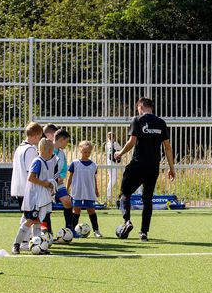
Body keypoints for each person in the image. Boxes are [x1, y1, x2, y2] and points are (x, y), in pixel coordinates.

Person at [114, 97, 176, 242]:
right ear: (151, 108)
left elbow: (131, 142)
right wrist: (172, 168)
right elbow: (168, 147)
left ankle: (127, 221)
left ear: (140, 107)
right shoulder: (161, 123)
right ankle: (144, 233)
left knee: (124, 193)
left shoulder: (137, 120)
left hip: (137, 164)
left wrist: (120, 153)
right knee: (147, 199)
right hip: (153, 166)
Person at [11, 138, 58, 255]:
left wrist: (51, 185)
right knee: (30, 220)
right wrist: (45, 183)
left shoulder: (47, 161)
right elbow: (31, 178)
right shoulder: (37, 161)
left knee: (38, 221)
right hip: (34, 199)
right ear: (47, 150)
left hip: (41, 198)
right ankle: (16, 244)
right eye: (52, 150)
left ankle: (37, 245)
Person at [10, 122, 44, 249]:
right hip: (27, 189)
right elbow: (32, 171)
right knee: (32, 217)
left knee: (26, 216)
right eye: (40, 137)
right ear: (35, 136)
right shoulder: (30, 150)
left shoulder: (19, 148)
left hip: (18, 187)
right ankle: (22, 243)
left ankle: (26, 241)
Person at [66, 140, 102, 238]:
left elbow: (94, 178)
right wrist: (67, 188)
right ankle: (73, 231)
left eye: (89, 152)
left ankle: (96, 230)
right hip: (77, 190)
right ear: (80, 150)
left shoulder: (93, 165)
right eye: (85, 152)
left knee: (91, 210)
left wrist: (96, 189)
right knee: (76, 210)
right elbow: (70, 176)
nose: (87, 154)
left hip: (89, 191)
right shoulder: (75, 163)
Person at [104, 132, 122, 204]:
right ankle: (108, 196)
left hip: (109, 163)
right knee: (113, 180)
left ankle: (108, 196)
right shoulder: (116, 144)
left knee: (112, 179)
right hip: (114, 163)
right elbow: (120, 151)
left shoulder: (106, 144)